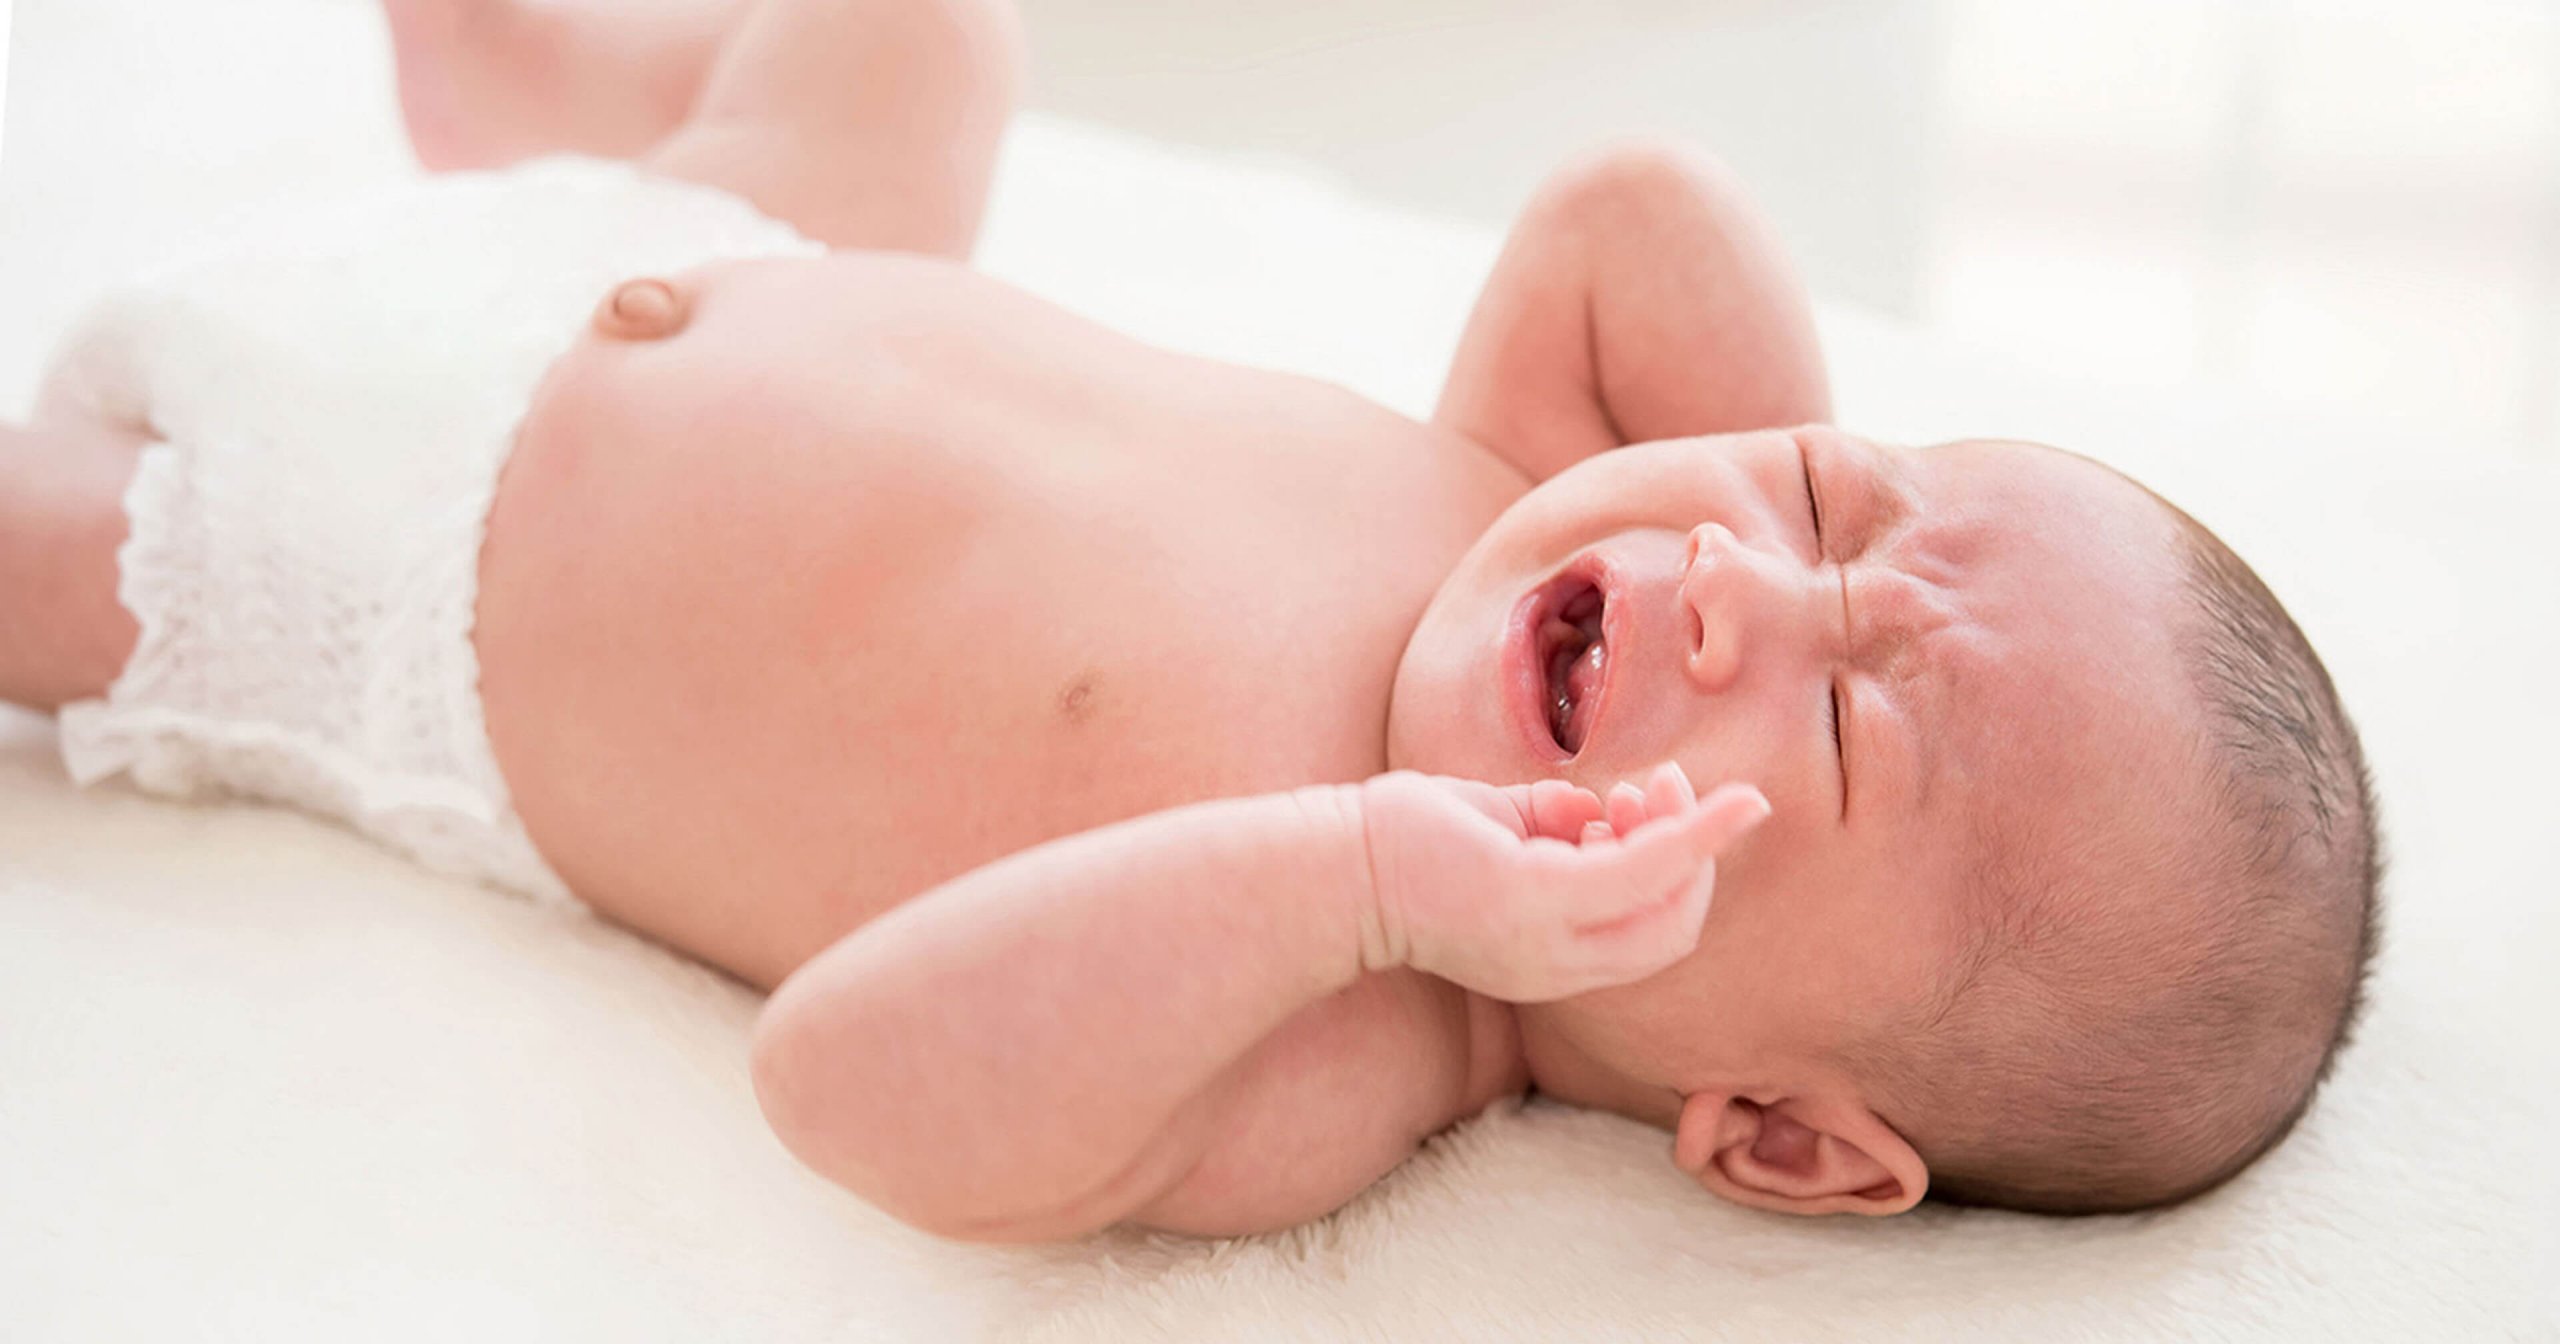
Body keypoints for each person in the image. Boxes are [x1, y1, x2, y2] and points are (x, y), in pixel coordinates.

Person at [0, 0, 2379, 1243]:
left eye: (1850, 725)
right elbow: (1627, 204)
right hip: (733, 236)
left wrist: (1360, 874)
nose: (1742, 576)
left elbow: (845, 1080)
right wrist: (1774, 566)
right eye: (1834, 505)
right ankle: (509, 87)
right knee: (928, 33)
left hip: (355, 564)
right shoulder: (1523, 506)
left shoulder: (1337, 1041)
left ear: (1770, 1138)